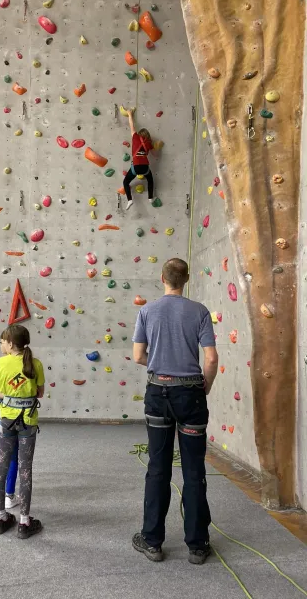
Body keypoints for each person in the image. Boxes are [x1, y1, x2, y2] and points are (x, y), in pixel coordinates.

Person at [131, 259, 218, 565]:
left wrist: (160, 362)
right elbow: (211, 358)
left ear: (162, 278)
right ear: (187, 279)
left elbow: (138, 356)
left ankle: (152, 541)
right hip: (191, 395)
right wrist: (205, 386)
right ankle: (197, 545)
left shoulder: (147, 311)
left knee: (158, 467)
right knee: (194, 470)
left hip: (158, 393)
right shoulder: (200, 311)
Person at [0, 324, 45, 539]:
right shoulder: (36, 363)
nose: (1, 345)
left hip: (6, 421)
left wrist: (7, 396)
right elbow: (40, 393)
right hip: (28, 422)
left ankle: (1, 517)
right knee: (25, 469)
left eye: (2, 341)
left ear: (10, 344)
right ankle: (24, 522)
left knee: (2, 464)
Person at [123, 109, 156, 210]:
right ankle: (150, 198)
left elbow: (131, 125)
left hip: (136, 167)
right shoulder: (149, 143)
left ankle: (130, 200)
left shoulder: (135, 137)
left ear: (140, 134)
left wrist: (129, 114)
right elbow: (154, 153)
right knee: (150, 180)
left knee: (126, 182)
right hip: (145, 167)